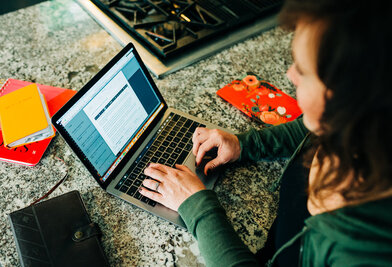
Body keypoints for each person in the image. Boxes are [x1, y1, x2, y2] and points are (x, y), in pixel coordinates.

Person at [139, 0, 392, 266]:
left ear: (347, 101)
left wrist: (197, 206)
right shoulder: (359, 128)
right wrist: (245, 144)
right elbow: (309, 127)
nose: (290, 75)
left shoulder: (359, 253)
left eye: (304, 72)